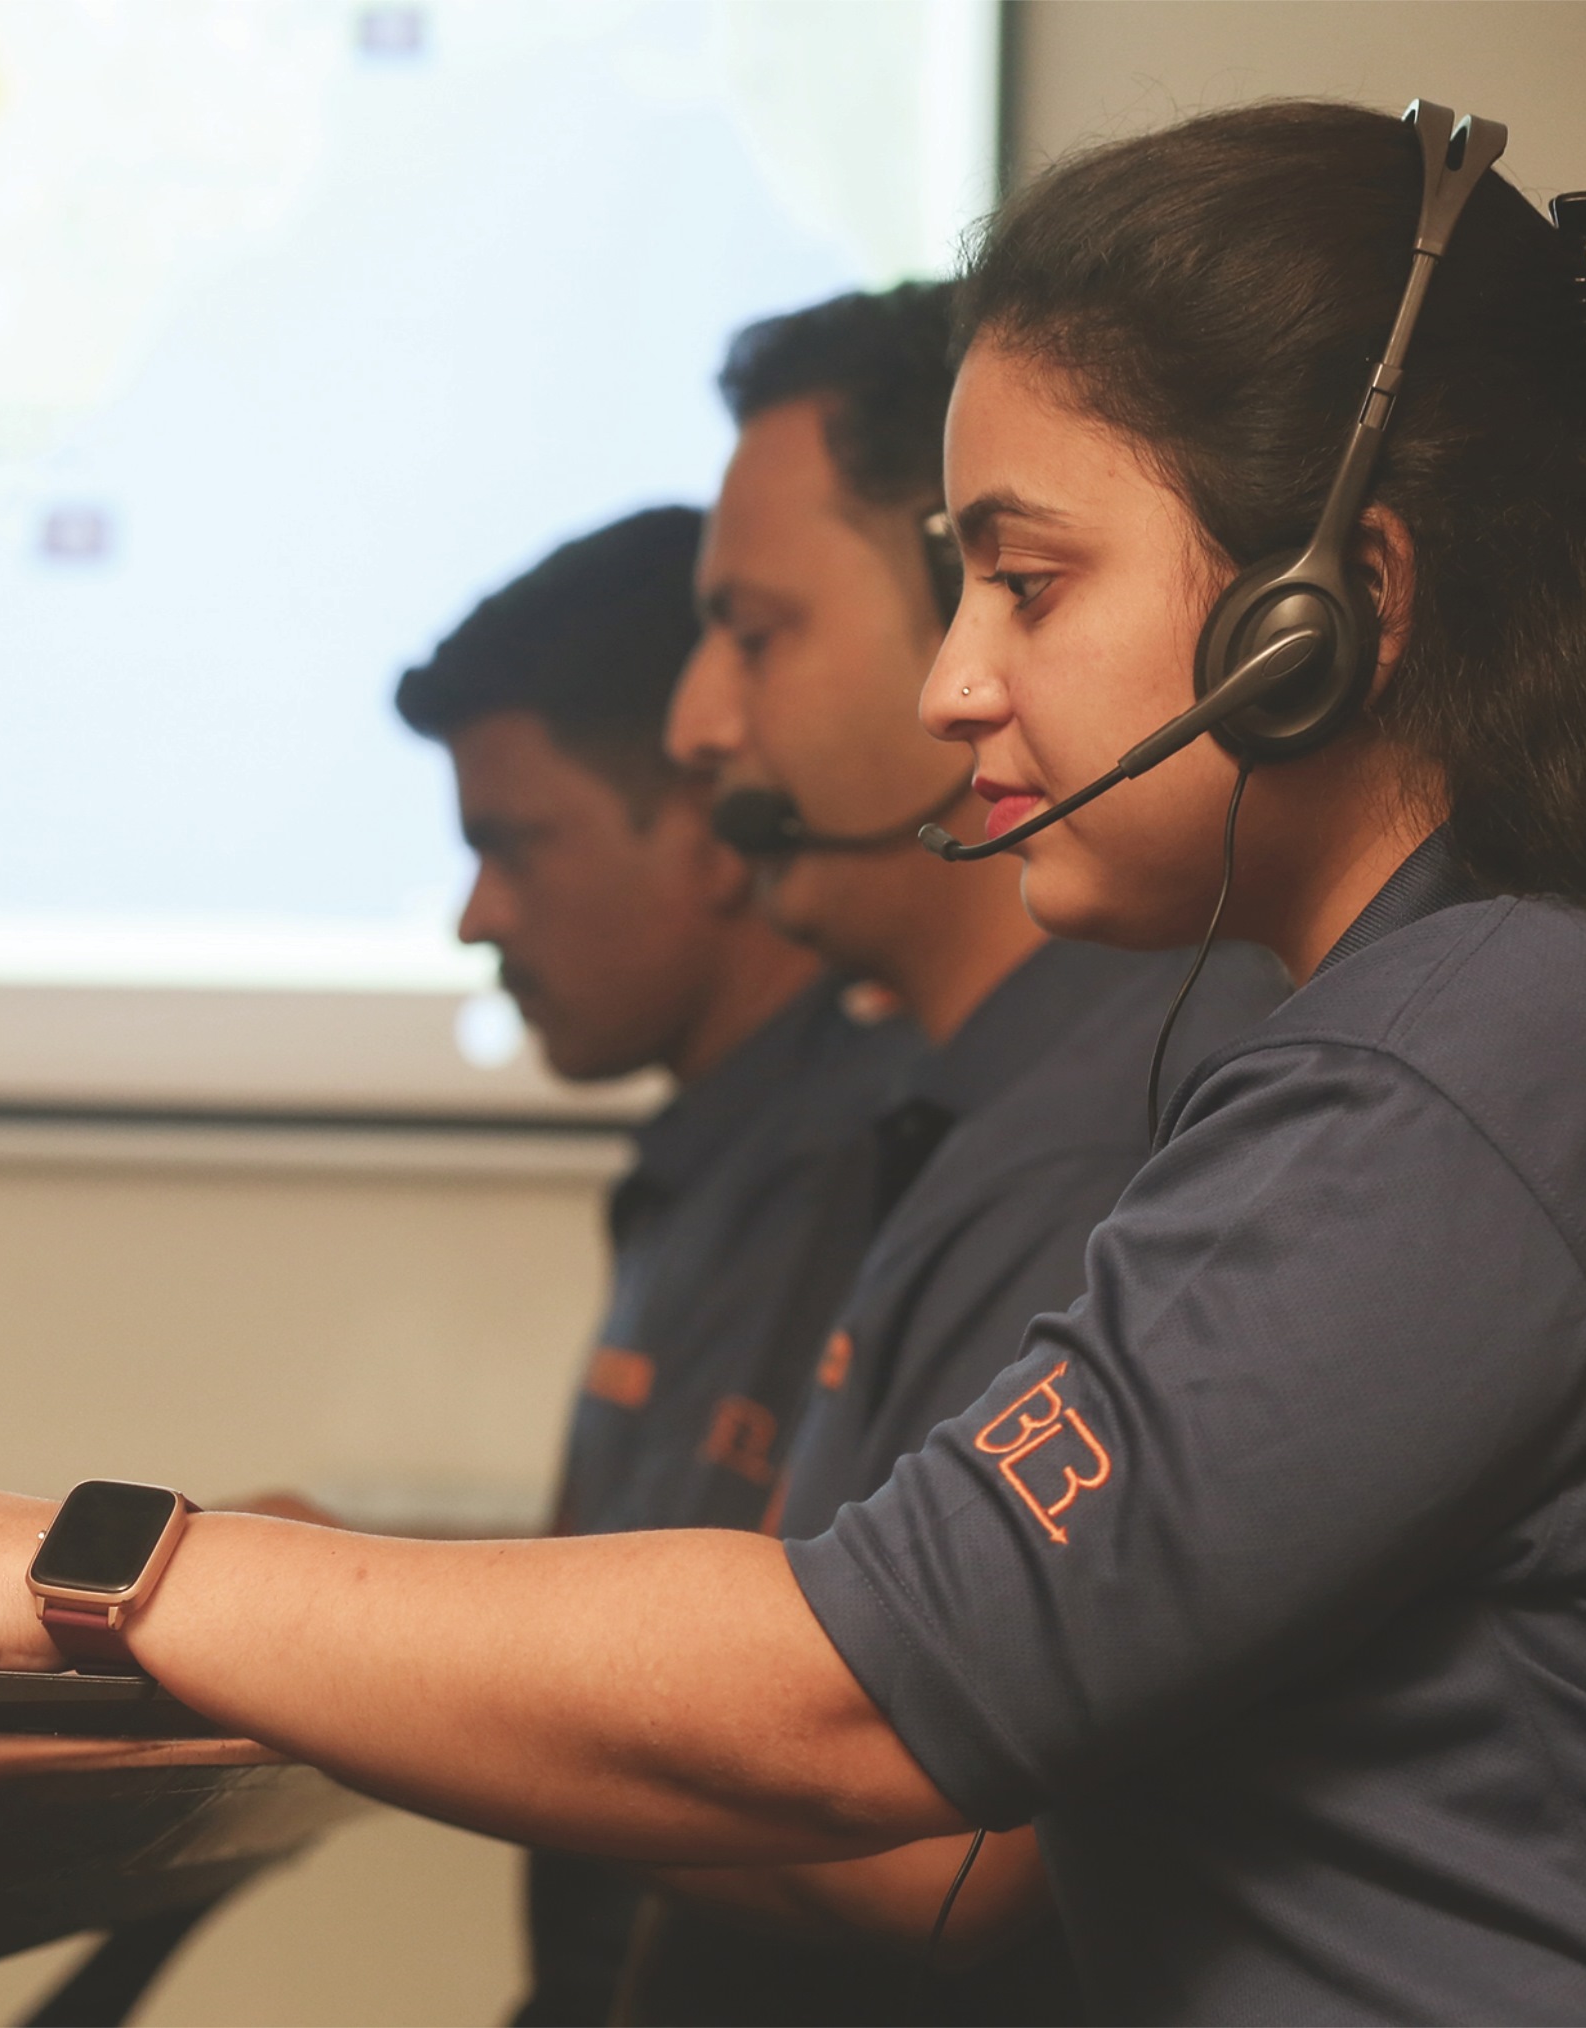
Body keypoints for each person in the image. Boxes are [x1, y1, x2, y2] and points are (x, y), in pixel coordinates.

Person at [0, 100, 1586, 2022]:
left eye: (1024, 582)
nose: (958, 684)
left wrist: (91, 1566)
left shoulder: (1489, 1056)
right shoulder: (1445, 1027)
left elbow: (857, 1704)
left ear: (1323, 615)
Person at [639, 287, 1285, 2018]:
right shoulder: (928, 1108)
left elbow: (923, 1847)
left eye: (756, 633)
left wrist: (314, 1667)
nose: (699, 726)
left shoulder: (1137, 1114)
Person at [392, 505, 915, 2023]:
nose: (477, 916)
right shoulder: (699, 1170)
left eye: (514, 845)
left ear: (702, 825)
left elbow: (712, 1736)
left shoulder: (864, 1170)